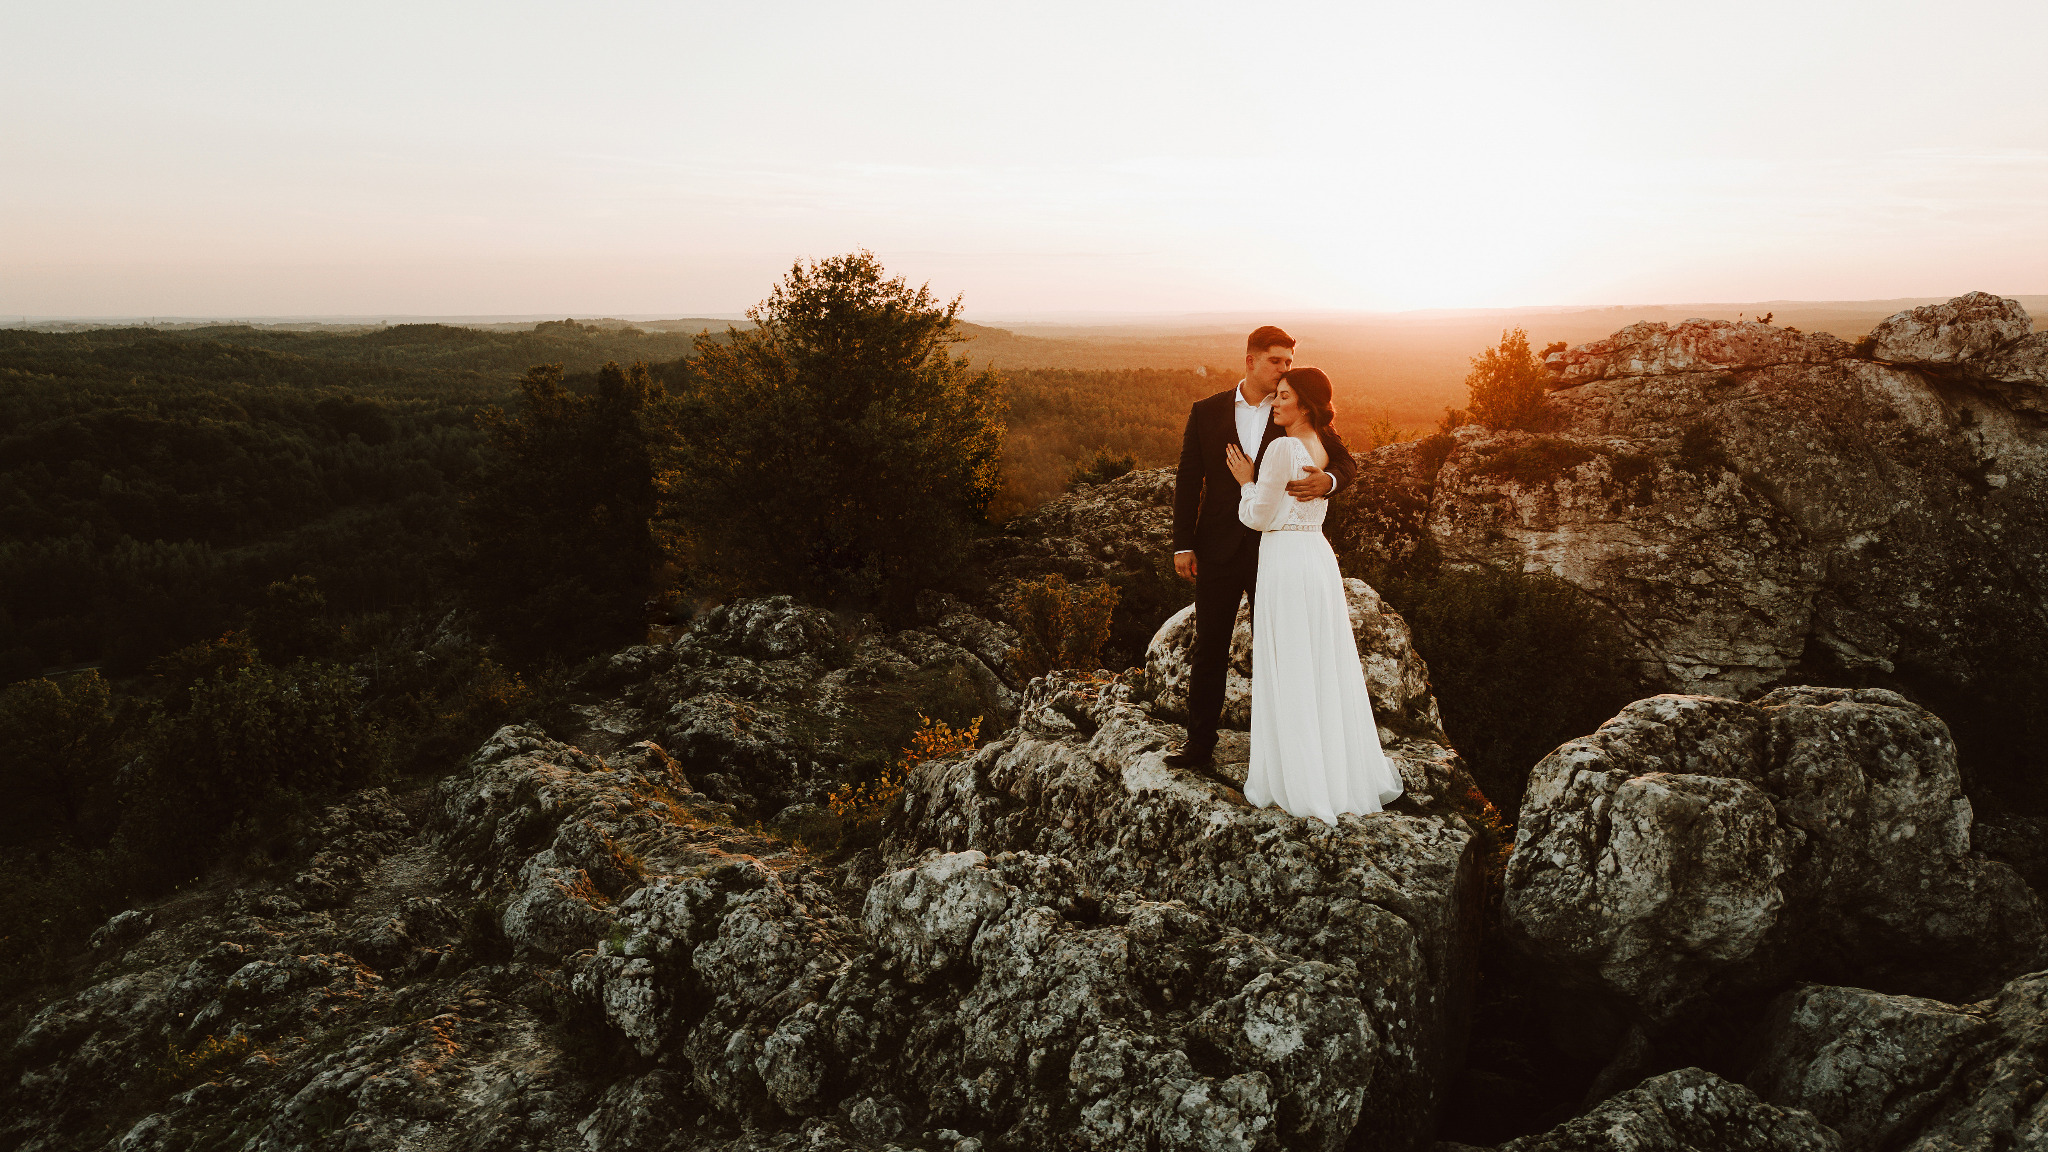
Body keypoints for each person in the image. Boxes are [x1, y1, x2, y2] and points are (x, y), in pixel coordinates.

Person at [1166, 326, 1356, 777]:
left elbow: (1345, 461)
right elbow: (1189, 479)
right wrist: (1183, 543)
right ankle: (1199, 744)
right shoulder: (1208, 411)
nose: (1284, 371)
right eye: (1276, 361)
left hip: (1277, 552)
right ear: (1250, 361)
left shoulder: (1297, 409)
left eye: (1289, 363)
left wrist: (1328, 482)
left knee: (1279, 647)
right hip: (1217, 548)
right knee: (1209, 644)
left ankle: (1281, 752)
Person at [1224, 366, 1403, 822]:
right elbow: (1335, 466)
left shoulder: (1283, 447)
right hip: (1317, 558)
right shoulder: (1321, 442)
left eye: (1284, 396)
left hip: (1285, 558)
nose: (1275, 402)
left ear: (1304, 403)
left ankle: (1299, 779)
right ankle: (1335, 771)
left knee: (1294, 661)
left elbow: (1258, 517)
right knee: (1322, 660)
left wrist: (1245, 481)